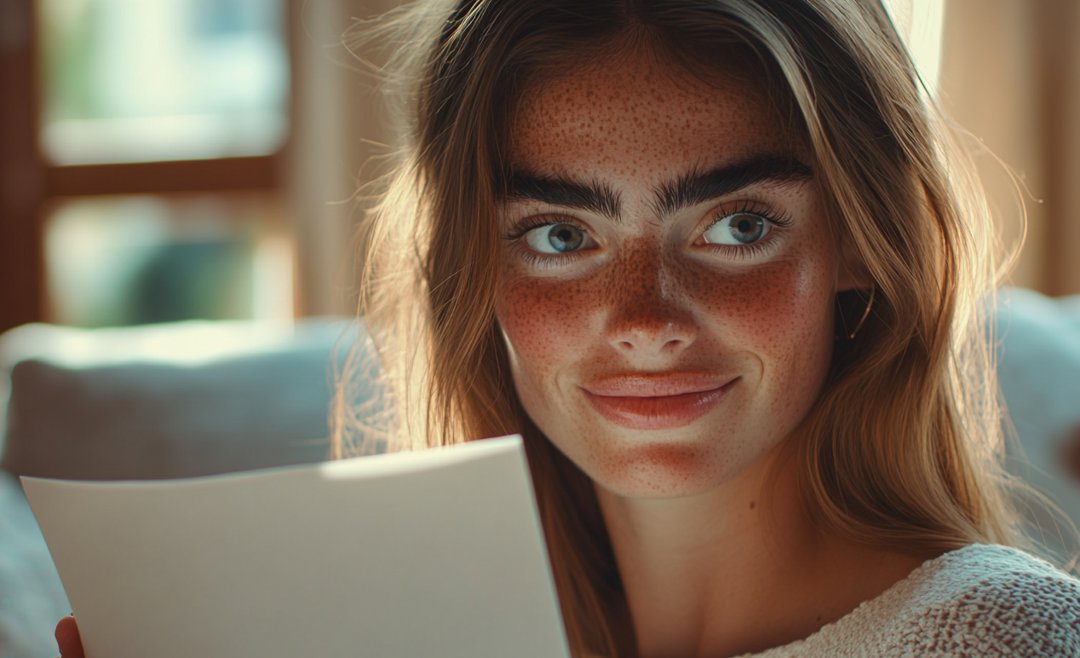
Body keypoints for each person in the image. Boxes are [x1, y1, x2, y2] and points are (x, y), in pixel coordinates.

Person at [57, 0, 1080, 656]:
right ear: (476, 270)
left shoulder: (1007, 636)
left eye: (737, 225)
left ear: (860, 240)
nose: (643, 317)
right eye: (559, 233)